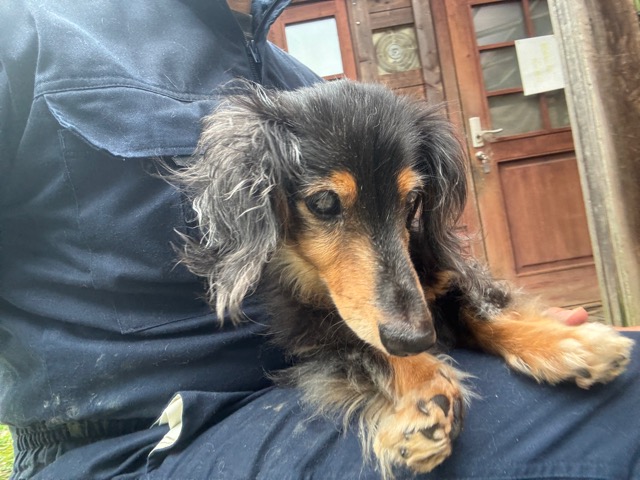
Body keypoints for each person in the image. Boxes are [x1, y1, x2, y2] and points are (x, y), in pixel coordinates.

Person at [0, 1, 638, 479]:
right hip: (134, 445)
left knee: (623, 369)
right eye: (326, 204)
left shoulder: (298, 78)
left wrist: (506, 326)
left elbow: (410, 265)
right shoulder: (28, 29)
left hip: (316, 386)